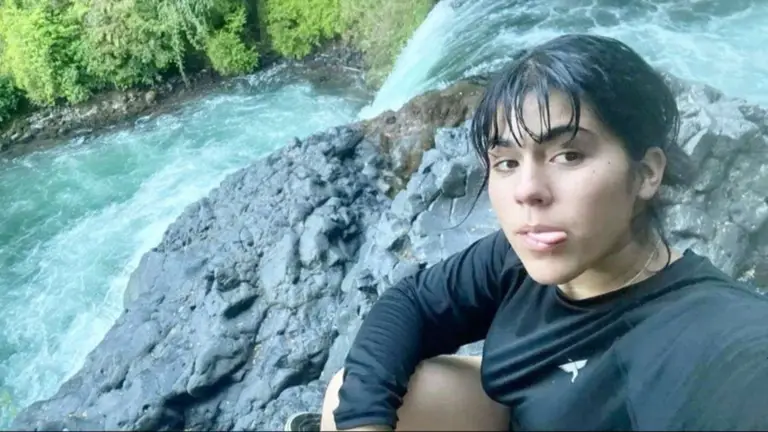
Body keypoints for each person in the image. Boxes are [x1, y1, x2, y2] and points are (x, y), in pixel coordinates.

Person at [284, 33, 768, 431]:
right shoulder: (518, 258)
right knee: (351, 394)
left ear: (646, 173)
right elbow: (412, 303)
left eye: (568, 155)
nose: (528, 191)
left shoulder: (717, 339)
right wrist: (363, 423)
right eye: (507, 162)